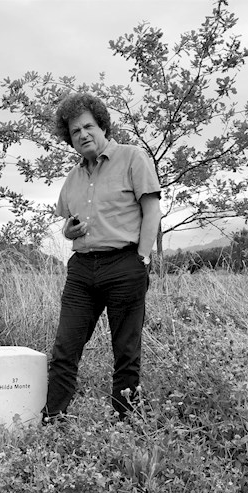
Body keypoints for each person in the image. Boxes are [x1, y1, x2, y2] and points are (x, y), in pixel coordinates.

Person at [42, 93, 162, 423]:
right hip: (82, 269)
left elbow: (152, 210)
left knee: (125, 351)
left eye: (88, 126)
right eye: (75, 131)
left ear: (102, 125)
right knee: (65, 348)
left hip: (125, 264)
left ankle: (126, 422)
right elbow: (67, 228)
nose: (82, 134)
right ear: (70, 139)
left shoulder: (133, 158)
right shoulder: (73, 177)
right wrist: (71, 231)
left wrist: (143, 259)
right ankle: (53, 419)